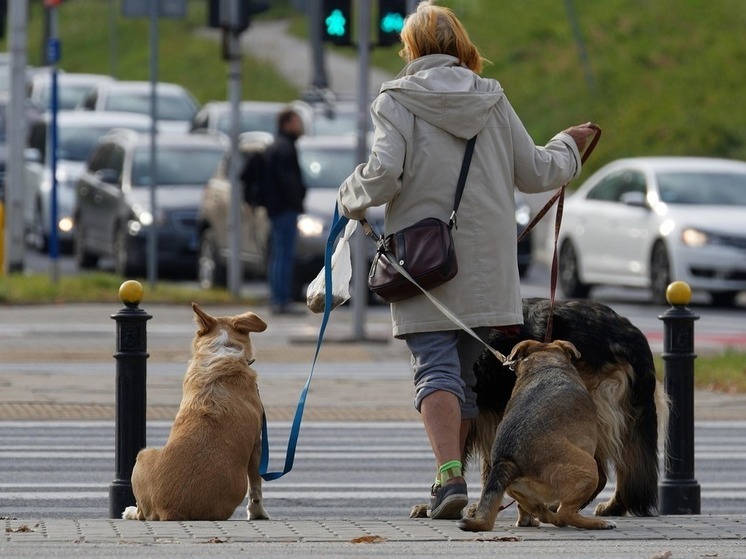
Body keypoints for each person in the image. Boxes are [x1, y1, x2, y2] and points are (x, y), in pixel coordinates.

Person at [336, 1, 597, 520]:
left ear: (411, 49)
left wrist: (349, 196)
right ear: (462, 47)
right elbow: (538, 170)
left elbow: (384, 174)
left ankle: (448, 478)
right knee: (464, 375)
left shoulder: (397, 100)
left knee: (433, 369)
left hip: (425, 264)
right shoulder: (493, 99)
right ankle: (453, 482)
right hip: (486, 270)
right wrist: (570, 145)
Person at [264, 108, 307, 314]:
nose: (300, 125)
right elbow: (288, 181)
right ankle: (281, 299)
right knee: (283, 255)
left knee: (278, 254)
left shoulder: (277, 146)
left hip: (277, 209)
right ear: (287, 123)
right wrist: (296, 200)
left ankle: (278, 297)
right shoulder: (285, 148)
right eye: (297, 121)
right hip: (284, 210)